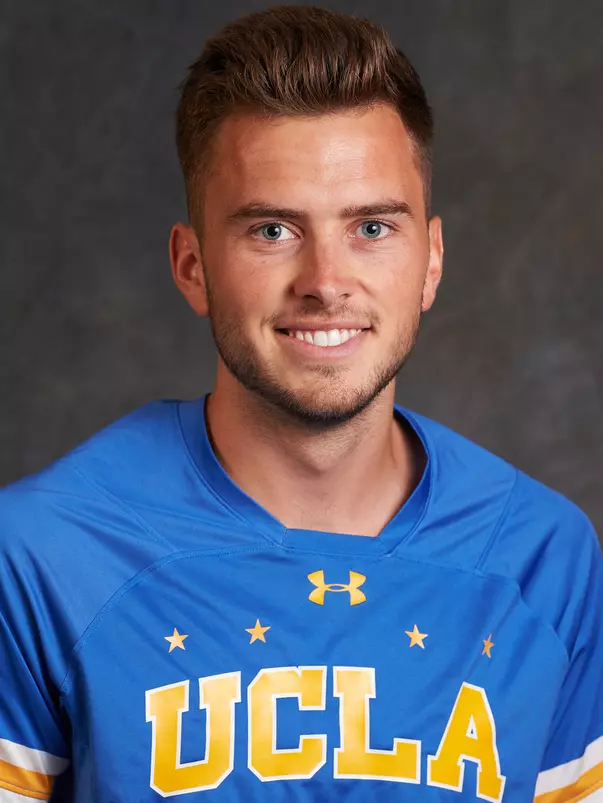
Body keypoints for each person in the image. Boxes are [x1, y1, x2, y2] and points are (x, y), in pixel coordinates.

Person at [1, 5, 601, 802]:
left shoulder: (542, 558)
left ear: (430, 261)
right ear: (191, 266)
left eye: (373, 227)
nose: (324, 280)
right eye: (273, 230)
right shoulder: (42, 554)